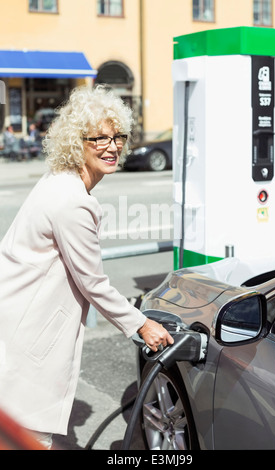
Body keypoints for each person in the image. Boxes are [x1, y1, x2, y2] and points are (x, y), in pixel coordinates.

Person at [0, 85, 174, 449]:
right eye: (98, 138)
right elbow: (93, 282)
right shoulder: (71, 201)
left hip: (15, 322)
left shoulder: (58, 184)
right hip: (28, 335)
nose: (112, 147)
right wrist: (141, 324)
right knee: (28, 435)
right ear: (75, 142)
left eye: (117, 137)